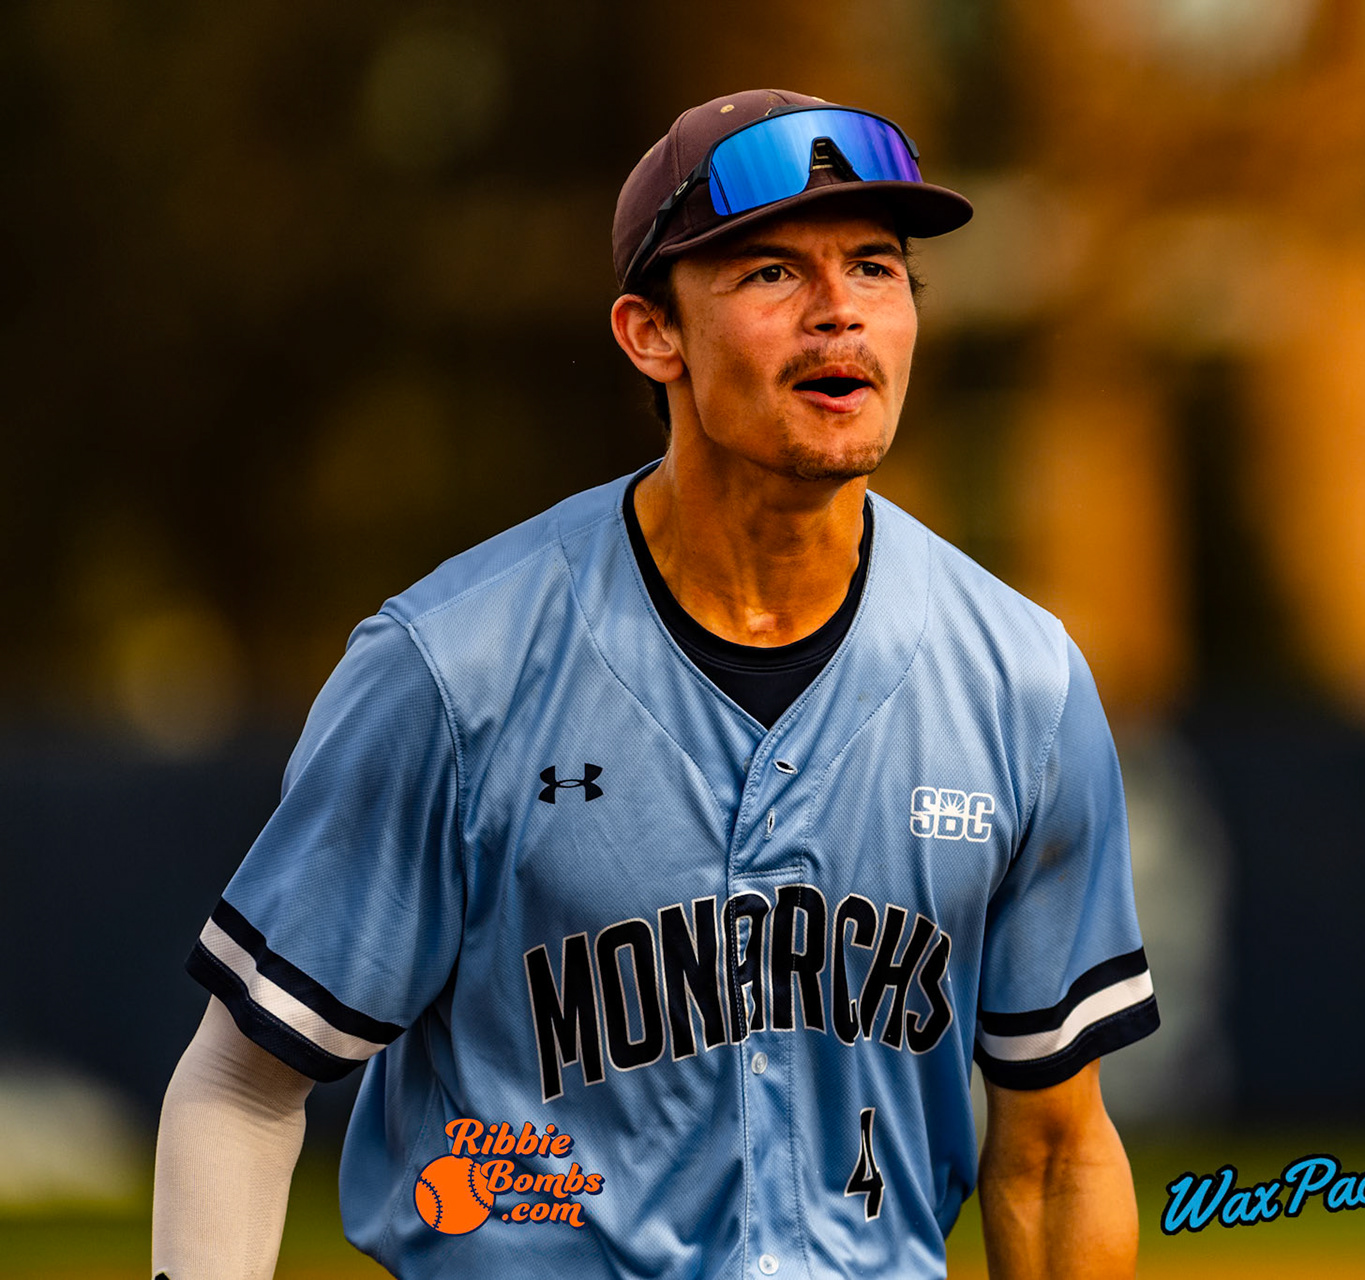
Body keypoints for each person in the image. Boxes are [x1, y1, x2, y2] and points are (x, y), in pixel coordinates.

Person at [152, 88, 1158, 1280]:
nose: (841, 311)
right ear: (650, 333)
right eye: (773, 272)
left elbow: (1052, 1150)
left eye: (878, 267)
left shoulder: (1020, 681)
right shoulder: (453, 665)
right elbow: (243, 1076)